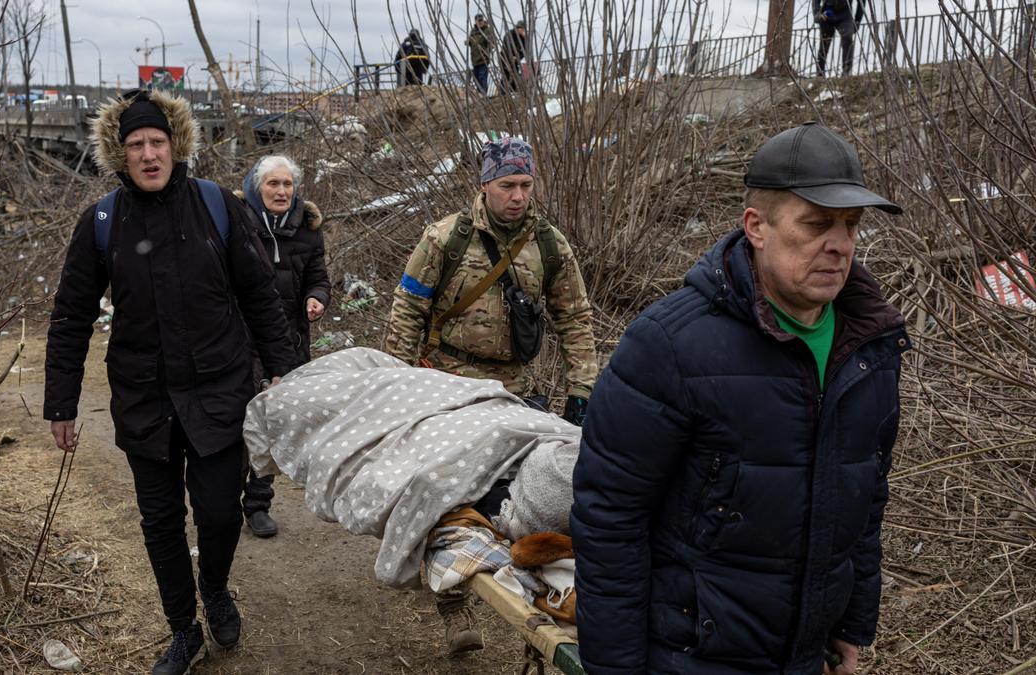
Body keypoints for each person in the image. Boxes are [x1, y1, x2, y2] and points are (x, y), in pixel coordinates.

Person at [571, 122, 909, 674]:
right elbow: (610, 518)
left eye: (851, 226)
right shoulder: (670, 345)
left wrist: (850, 621)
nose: (840, 245)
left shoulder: (870, 346)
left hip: (803, 652)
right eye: (817, 224)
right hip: (692, 655)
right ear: (757, 226)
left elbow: (865, 498)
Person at [44, 89, 296, 675]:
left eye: (158, 142)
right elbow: (70, 315)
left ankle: (214, 586)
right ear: (119, 153)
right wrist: (62, 401)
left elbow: (259, 294)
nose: (149, 154)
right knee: (159, 521)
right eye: (136, 145)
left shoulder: (216, 207)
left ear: (175, 145)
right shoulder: (102, 224)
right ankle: (184, 631)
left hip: (219, 389)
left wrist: (282, 368)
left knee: (218, 514)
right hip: (143, 399)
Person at [383, 136, 598, 654]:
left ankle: (519, 578)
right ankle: (454, 605)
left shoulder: (549, 244)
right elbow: (408, 307)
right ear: (485, 185)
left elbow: (575, 318)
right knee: (445, 489)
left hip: (513, 390)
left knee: (507, 493)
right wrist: (399, 379)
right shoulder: (445, 239)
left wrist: (582, 389)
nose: (519, 195)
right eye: (508, 185)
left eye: (526, 185)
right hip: (447, 382)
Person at [235, 154, 331, 539]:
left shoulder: (308, 230)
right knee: (236, 421)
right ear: (256, 189)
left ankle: (258, 504)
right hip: (239, 341)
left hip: (288, 343)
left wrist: (317, 298)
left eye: (287, 184)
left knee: (272, 425)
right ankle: (224, 498)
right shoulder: (235, 224)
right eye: (273, 184)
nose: (282, 191)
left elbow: (319, 278)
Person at [815, 0, 864, 77]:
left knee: (847, 37)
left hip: (845, 12)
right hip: (828, 11)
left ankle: (846, 72)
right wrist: (817, 13)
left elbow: (862, 1)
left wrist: (858, 20)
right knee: (824, 42)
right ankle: (820, 74)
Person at [465, 13, 496, 94]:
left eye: (481, 20)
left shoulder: (487, 30)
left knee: (482, 77)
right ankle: (479, 94)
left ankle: (483, 95)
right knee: (476, 78)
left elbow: (491, 44)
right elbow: (471, 41)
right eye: (478, 21)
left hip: (483, 59)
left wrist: (487, 51)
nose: (480, 22)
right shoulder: (473, 31)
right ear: (475, 22)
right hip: (475, 60)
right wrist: (468, 42)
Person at [499, 20, 527, 94]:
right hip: (505, 59)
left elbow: (524, 51)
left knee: (515, 75)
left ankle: (513, 92)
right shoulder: (509, 35)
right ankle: (503, 93)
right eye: (522, 29)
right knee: (506, 76)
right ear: (518, 28)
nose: (523, 31)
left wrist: (517, 57)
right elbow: (507, 48)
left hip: (515, 60)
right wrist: (512, 56)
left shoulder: (523, 39)